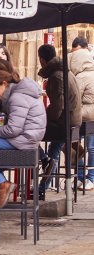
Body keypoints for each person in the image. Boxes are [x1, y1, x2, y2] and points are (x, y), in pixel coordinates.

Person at [0, 70, 46, 209]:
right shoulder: (19, 94)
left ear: (4, 84)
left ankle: (1, 183)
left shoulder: (17, 97)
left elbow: (13, 129)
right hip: (26, 138)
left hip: (23, 140)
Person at [37, 44, 82, 198]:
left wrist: (45, 118)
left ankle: (42, 182)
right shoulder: (64, 71)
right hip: (73, 119)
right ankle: (43, 186)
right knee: (54, 150)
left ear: (42, 60)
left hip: (65, 121)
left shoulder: (57, 76)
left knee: (31, 134)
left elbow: (58, 106)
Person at [69, 47, 94, 190]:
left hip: (84, 117)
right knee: (91, 148)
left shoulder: (80, 77)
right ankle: (89, 177)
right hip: (90, 117)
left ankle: (82, 176)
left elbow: (73, 99)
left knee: (71, 145)